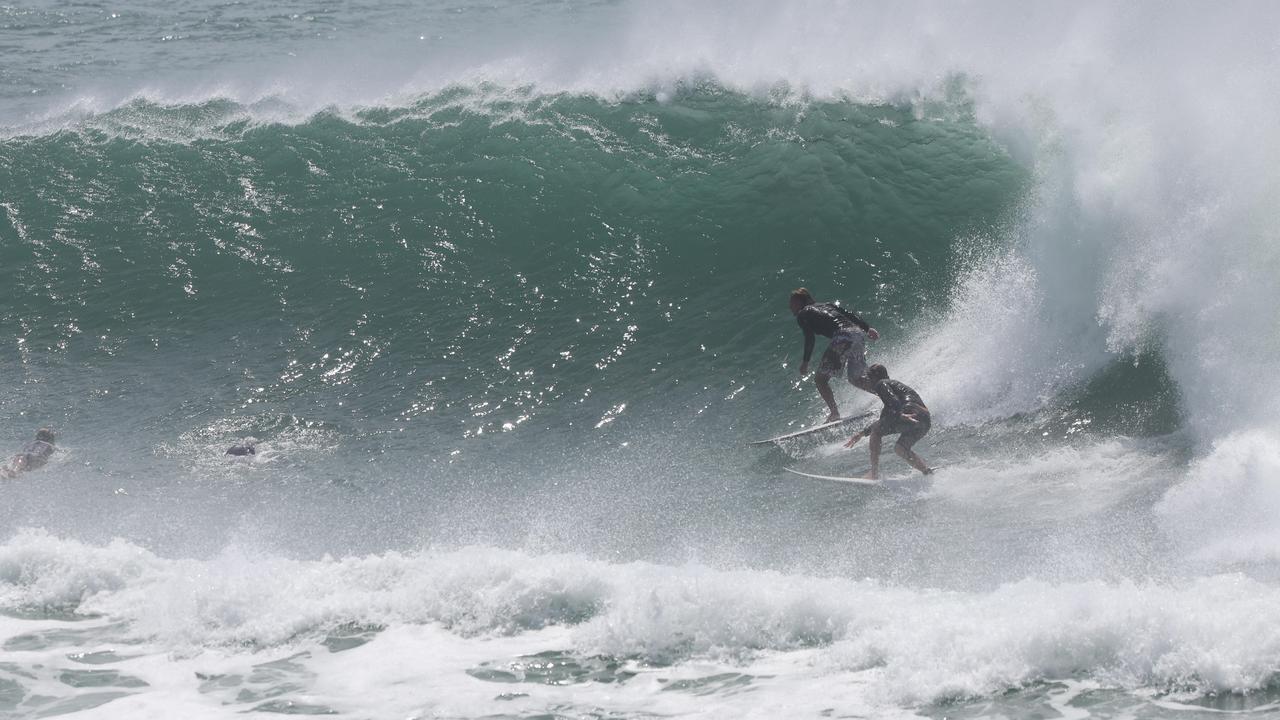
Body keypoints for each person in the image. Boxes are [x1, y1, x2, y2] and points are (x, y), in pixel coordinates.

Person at [789, 287, 881, 422]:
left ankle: (834, 414)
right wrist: (867, 328)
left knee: (820, 380)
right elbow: (850, 315)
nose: (790, 307)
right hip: (857, 334)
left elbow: (810, 338)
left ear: (799, 302)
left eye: (792, 303)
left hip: (843, 337)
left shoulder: (803, 313)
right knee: (856, 378)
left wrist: (805, 361)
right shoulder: (827, 305)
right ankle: (887, 395)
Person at [844, 365, 933, 479]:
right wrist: (861, 434)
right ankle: (926, 471)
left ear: (873, 378)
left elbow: (894, 402)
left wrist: (900, 414)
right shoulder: (894, 392)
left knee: (876, 432)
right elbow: (883, 420)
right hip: (924, 419)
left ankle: (874, 473)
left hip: (908, 412)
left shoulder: (881, 384)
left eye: (868, 378)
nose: (867, 382)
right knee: (900, 449)